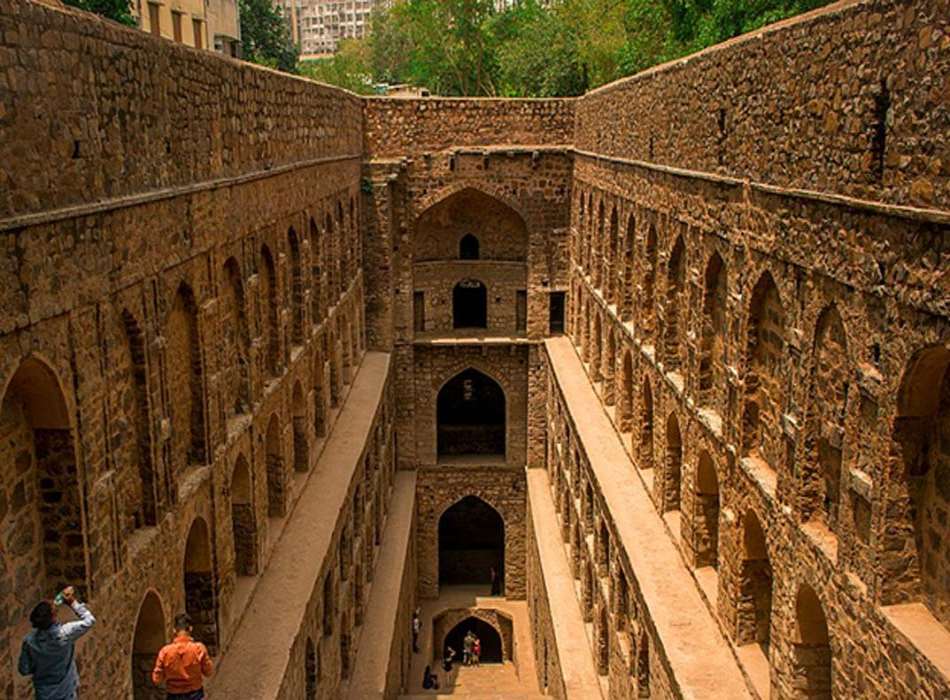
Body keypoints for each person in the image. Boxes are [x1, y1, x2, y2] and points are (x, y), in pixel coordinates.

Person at [18, 586, 96, 700]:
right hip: (66, 692)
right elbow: (89, 621)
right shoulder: (64, 634)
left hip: (44, 693)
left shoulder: (29, 642)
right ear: (53, 617)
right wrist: (73, 603)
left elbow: (23, 670)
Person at [152, 613, 213, 700]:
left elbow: (156, 679)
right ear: (190, 628)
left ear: (174, 630)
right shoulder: (199, 649)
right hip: (195, 694)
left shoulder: (165, 652)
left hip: (173, 695)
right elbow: (208, 672)